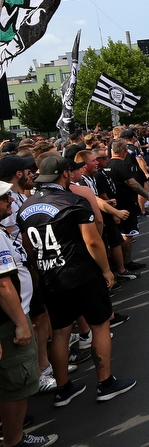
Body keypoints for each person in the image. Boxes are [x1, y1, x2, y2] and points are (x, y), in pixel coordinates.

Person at [17, 155, 136, 407]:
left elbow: (28, 247)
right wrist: (106, 270)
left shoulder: (25, 207)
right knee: (100, 325)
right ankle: (105, 383)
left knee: (59, 332)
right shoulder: (73, 201)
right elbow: (92, 241)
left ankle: (63, 388)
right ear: (64, 175)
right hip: (80, 273)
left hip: (51, 277)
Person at [0, 180, 59, 447]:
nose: (11, 201)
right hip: (8, 322)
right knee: (17, 384)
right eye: (4, 199)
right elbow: (2, 285)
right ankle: (14, 441)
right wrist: (21, 324)